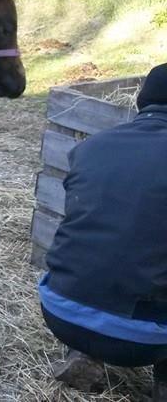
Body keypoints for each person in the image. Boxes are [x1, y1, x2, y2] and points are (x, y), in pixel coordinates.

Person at [40, 63, 167, 399]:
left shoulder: (92, 146)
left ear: (141, 102)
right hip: (142, 340)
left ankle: (83, 353)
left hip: (59, 311)